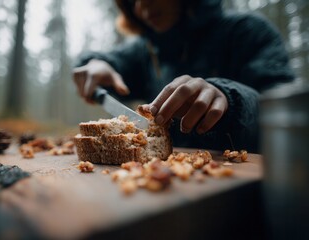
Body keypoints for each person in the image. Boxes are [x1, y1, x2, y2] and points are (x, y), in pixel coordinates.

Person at [72, 0, 295, 153]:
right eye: (131, 1)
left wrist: (231, 100)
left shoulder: (248, 32)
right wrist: (96, 64)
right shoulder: (147, 50)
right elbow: (115, 62)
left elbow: (289, 114)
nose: (141, 7)